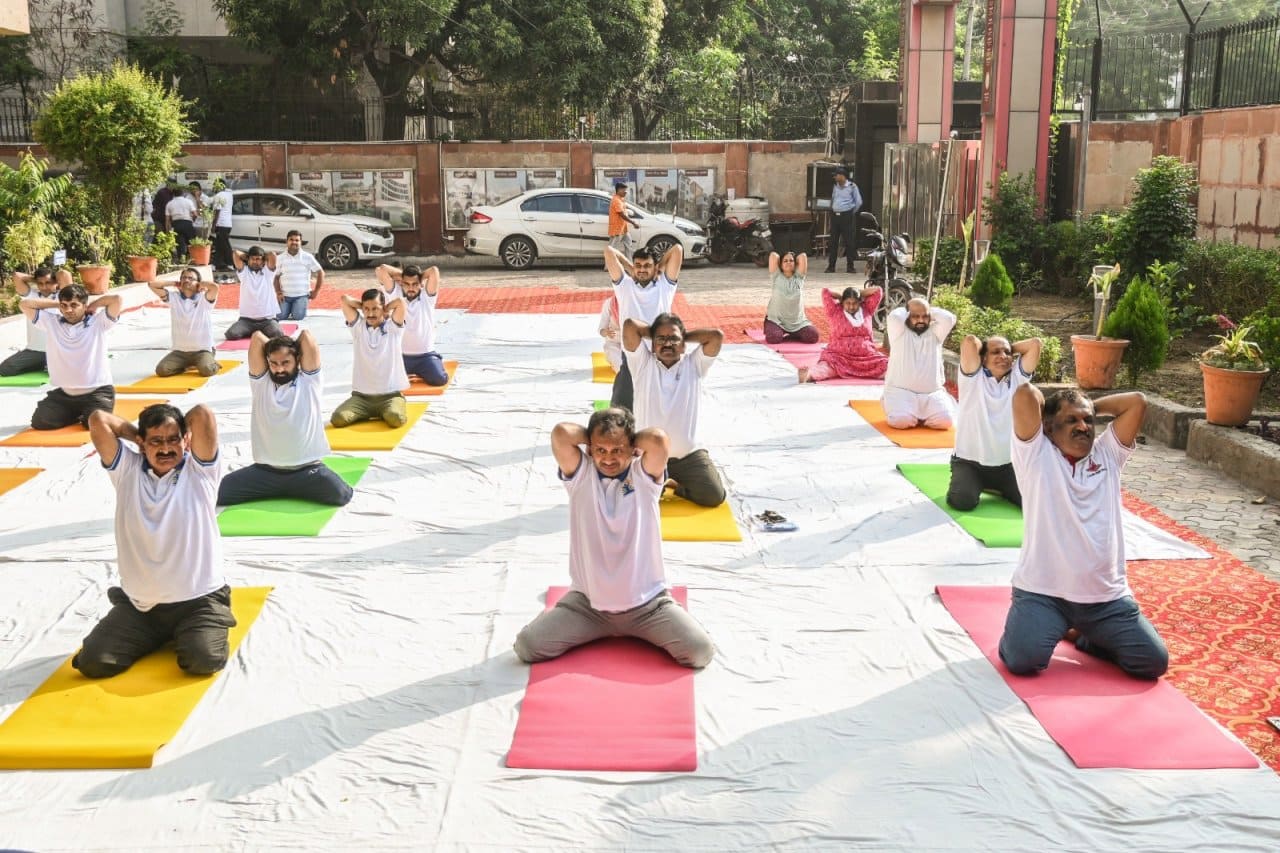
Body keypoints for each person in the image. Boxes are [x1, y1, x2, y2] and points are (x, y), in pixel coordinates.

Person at [512, 407, 715, 669]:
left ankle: (616, 441)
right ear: (589, 449)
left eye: (617, 450)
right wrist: (599, 437)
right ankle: (605, 441)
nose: (608, 458)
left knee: (699, 652)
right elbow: (562, 434)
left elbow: (658, 440)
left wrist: (624, 439)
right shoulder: (581, 477)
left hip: (648, 606)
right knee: (527, 647)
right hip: (588, 607)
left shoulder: (643, 478)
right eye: (601, 450)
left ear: (633, 449)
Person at [998, 386, 1168, 680]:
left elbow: (1137, 402)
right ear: (1048, 427)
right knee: (1023, 660)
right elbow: (1025, 394)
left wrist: (1089, 406)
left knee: (1153, 662)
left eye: (1088, 421)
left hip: (1105, 599)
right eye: (1071, 420)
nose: (1083, 427)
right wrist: (1055, 410)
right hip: (1044, 595)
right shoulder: (1036, 454)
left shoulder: (1108, 454)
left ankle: (1085, 636)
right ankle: (1042, 627)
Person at [74, 402, 234, 678]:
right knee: (93, 663)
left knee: (203, 661)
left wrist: (178, 429)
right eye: (156, 441)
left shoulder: (200, 472)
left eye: (173, 440)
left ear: (185, 439)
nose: (166, 449)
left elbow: (203, 414)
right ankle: (161, 634)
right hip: (142, 607)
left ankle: (194, 629)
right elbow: (99, 419)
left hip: (198, 602)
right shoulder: (127, 470)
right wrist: (137, 435)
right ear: (141, 443)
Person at [217, 330, 353, 507]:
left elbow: (306, 337)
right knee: (216, 493)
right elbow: (257, 338)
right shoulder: (261, 383)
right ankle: (285, 490)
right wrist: (278, 347)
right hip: (266, 473)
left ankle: (291, 489)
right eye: (273, 363)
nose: (279, 369)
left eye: (285, 362)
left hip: (306, 471)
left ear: (298, 359)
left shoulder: (309, 382)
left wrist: (289, 346)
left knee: (341, 495)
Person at [623, 313, 726, 507]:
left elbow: (716, 336)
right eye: (661, 339)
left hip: (688, 456)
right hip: (648, 456)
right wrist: (663, 335)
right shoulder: (642, 363)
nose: (667, 344)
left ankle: (676, 486)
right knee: (628, 497)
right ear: (652, 344)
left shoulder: (694, 364)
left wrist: (678, 336)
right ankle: (659, 482)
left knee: (714, 496)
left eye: (673, 340)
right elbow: (630, 326)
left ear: (684, 345)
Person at [947, 334, 1043, 510]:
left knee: (1034, 503)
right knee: (962, 502)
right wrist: (989, 349)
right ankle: (976, 483)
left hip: (1008, 465)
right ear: (983, 358)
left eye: (1007, 353)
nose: (1003, 356)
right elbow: (969, 342)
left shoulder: (1018, 379)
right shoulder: (972, 378)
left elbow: (1035, 344)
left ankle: (996, 487)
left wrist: (1008, 349)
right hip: (970, 463)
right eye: (996, 352)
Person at [20, 284, 121, 429]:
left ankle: (86, 414)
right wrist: (57, 304)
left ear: (84, 305)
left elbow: (117, 299)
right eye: (64, 305)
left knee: (94, 424)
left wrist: (93, 304)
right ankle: (77, 414)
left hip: (97, 392)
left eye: (74, 305)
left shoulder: (99, 322)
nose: (68, 310)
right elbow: (24, 304)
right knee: (41, 422)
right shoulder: (51, 322)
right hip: (65, 395)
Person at [604, 243, 682, 411]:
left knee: (660, 406)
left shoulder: (665, 286)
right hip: (631, 354)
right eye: (638, 265)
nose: (642, 269)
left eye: (647, 266)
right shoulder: (625, 286)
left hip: (659, 355)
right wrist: (629, 267)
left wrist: (660, 267)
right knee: (621, 411)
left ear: (655, 268)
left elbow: (677, 249)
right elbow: (609, 251)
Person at [330, 288, 409, 428]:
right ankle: (368, 413)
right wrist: (364, 306)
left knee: (395, 418)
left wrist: (385, 308)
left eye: (375, 309)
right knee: (338, 419)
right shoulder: (358, 328)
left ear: (383, 308)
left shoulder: (393, 328)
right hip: (362, 398)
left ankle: (390, 408)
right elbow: (344, 299)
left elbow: (401, 302)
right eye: (366, 309)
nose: (370, 314)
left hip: (390, 396)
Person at [881, 298, 957, 429]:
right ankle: (909, 414)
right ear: (907, 315)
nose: (921, 320)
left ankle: (920, 417)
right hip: (900, 393)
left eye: (925, 316)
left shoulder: (936, 333)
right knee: (901, 421)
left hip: (932, 394)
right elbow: (894, 317)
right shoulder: (899, 332)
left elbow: (949, 318)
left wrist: (927, 309)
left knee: (946, 421)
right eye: (915, 316)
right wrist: (910, 309)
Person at [376, 263, 449, 386]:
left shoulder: (427, 297)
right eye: (407, 284)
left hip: (425, 356)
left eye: (415, 284)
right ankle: (410, 372)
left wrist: (419, 276)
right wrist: (403, 275)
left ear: (421, 284)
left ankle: (432, 364)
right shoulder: (395, 294)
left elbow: (434, 271)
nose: (411, 288)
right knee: (383, 380)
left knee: (440, 380)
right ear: (401, 283)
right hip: (401, 356)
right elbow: (382, 269)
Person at [798, 285, 888, 384]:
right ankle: (807, 375)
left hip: (866, 358)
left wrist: (859, 293)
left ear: (860, 302)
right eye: (847, 303)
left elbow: (878, 290)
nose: (851, 307)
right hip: (839, 358)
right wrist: (840, 296)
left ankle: (894, 375)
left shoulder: (867, 309)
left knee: (886, 365)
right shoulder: (834, 310)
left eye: (855, 303)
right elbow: (825, 292)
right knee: (826, 368)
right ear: (842, 302)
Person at [148, 267, 220, 378]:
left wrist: (201, 284)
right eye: (184, 278)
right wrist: (174, 283)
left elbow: (214, 287)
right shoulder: (174, 297)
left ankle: (211, 362)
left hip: (202, 350)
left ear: (198, 283)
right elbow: (151, 285)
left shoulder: (204, 299)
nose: (186, 280)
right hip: (180, 352)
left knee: (207, 370)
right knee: (162, 370)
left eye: (191, 278)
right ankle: (187, 366)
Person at [0, 267, 71, 376]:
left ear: (55, 282)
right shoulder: (31, 296)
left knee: (60, 373)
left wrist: (52, 279)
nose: (44, 287)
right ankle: (42, 364)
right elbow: (17, 276)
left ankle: (50, 364)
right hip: (36, 350)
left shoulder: (63, 296)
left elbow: (64, 274)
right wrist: (37, 279)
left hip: (58, 350)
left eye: (48, 282)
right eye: (40, 284)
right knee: (5, 369)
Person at [225, 246, 283, 340]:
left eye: (258, 259)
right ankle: (255, 331)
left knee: (278, 333)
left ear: (263, 261)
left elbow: (272, 255)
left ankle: (256, 332)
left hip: (267, 320)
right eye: (252, 259)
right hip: (246, 321)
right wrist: (248, 256)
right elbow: (236, 253)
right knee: (231, 334)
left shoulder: (268, 272)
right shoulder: (244, 273)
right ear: (248, 260)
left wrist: (262, 257)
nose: (255, 261)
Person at [763, 251, 819, 345]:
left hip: (798, 323)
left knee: (813, 336)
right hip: (777, 321)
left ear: (795, 264)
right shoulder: (776, 276)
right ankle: (778, 330)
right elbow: (773, 255)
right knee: (773, 338)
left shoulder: (799, 277)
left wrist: (793, 258)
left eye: (791, 261)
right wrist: (784, 259)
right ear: (780, 264)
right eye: (785, 261)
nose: (788, 262)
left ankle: (793, 334)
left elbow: (803, 256)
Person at [274, 230, 325, 321]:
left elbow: (320, 272)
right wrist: (278, 293)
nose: (294, 242)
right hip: (285, 296)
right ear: (286, 241)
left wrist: (316, 291)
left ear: (300, 242)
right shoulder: (280, 258)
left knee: (298, 316)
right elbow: (276, 277)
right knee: (280, 316)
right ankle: (290, 308)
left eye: (297, 240)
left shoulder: (307, 257)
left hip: (302, 295)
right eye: (291, 240)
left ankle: (298, 307)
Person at [824, 166, 863, 274]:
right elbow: (833, 199)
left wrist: (850, 212)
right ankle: (831, 266)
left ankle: (850, 266)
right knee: (833, 242)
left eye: (836, 175)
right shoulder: (835, 186)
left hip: (847, 216)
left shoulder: (852, 186)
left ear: (842, 176)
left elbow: (858, 202)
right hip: (835, 216)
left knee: (849, 242)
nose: (835, 177)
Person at [165, 185, 198, 262]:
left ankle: (182, 260)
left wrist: (167, 231)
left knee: (180, 244)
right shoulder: (188, 201)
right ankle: (192, 259)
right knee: (191, 242)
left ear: (173, 194)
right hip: (188, 223)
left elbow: (167, 220)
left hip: (176, 224)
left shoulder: (169, 203)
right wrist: (192, 220)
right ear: (183, 193)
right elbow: (195, 214)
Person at [208, 177, 235, 272]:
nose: (213, 188)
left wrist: (213, 226)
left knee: (225, 245)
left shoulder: (218, 196)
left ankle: (230, 264)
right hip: (228, 224)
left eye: (214, 186)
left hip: (221, 224)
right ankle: (215, 265)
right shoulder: (229, 194)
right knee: (219, 245)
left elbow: (217, 212)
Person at [608, 182, 638, 257]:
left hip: (623, 229)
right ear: (619, 190)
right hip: (617, 230)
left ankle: (629, 263)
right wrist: (633, 222)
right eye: (624, 190)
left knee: (629, 246)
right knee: (612, 249)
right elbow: (621, 214)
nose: (626, 192)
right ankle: (609, 264)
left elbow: (624, 211)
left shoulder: (621, 199)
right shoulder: (616, 200)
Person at [598, 294, 623, 372]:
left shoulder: (636, 302)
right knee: (620, 367)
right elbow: (601, 329)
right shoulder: (609, 303)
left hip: (632, 344)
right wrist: (606, 332)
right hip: (614, 343)